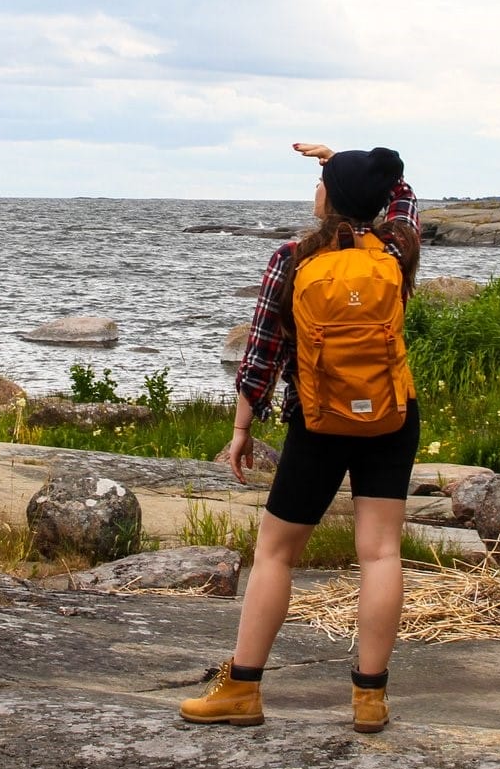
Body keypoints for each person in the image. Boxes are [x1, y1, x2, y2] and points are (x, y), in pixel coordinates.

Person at [180, 141, 420, 733]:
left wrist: (242, 426)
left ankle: (242, 689)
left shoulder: (291, 257)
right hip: (391, 414)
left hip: (318, 419)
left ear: (328, 199)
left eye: (322, 184)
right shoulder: (398, 247)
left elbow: (260, 353)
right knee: (381, 553)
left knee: (275, 553)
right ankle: (370, 701)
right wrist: (347, 163)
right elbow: (404, 195)